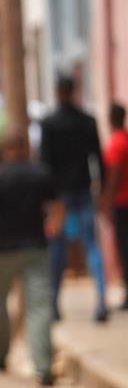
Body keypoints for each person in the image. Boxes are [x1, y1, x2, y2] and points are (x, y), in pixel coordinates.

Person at [0, 132, 64, 386]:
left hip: (3, 249)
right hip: (35, 248)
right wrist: (52, 228)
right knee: (39, 306)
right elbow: (58, 207)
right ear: (25, 147)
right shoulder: (41, 173)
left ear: (4, 149)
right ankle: (43, 366)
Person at [40, 76, 108, 323]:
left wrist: (46, 199)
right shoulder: (87, 121)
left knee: (57, 250)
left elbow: (45, 164)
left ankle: (54, 303)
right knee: (91, 246)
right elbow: (98, 161)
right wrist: (102, 191)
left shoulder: (49, 124)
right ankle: (101, 300)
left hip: (59, 196)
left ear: (58, 91)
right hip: (83, 191)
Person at [103, 103, 128, 311]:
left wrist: (107, 202)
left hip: (122, 202)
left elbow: (114, 174)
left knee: (124, 248)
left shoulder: (116, 143)